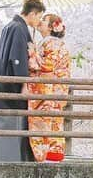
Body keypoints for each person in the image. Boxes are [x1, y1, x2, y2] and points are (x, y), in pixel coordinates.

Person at [0, 0, 45, 161]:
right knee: (14, 124)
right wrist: (24, 83)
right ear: (32, 14)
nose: (39, 21)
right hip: (12, 88)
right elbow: (17, 58)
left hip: (2, 84)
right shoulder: (19, 28)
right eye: (39, 16)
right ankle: (11, 159)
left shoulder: (9, 26)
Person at [27, 14, 71, 162]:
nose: (40, 22)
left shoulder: (52, 43)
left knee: (44, 123)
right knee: (52, 123)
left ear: (52, 27)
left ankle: (45, 155)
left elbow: (47, 66)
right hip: (54, 90)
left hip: (48, 89)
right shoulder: (50, 42)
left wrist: (32, 52)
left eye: (44, 20)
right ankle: (52, 155)